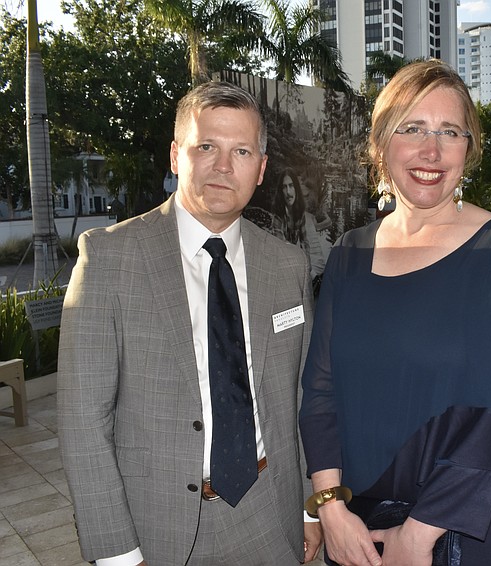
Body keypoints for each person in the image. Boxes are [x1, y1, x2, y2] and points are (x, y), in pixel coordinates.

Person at [299, 59, 491, 566]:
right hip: (355, 529)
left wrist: (417, 535)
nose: (430, 151)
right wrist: (330, 507)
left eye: (449, 132)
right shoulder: (350, 253)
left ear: (468, 150)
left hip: (462, 529)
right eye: (412, 128)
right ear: (381, 143)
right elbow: (320, 391)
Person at [57, 81, 320, 565]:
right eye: (206, 147)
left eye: (241, 151)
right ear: (177, 156)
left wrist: (309, 508)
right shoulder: (109, 258)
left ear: (261, 169)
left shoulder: (287, 266)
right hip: (157, 526)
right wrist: (117, 553)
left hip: (271, 512)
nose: (223, 166)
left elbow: (301, 397)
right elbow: (82, 418)